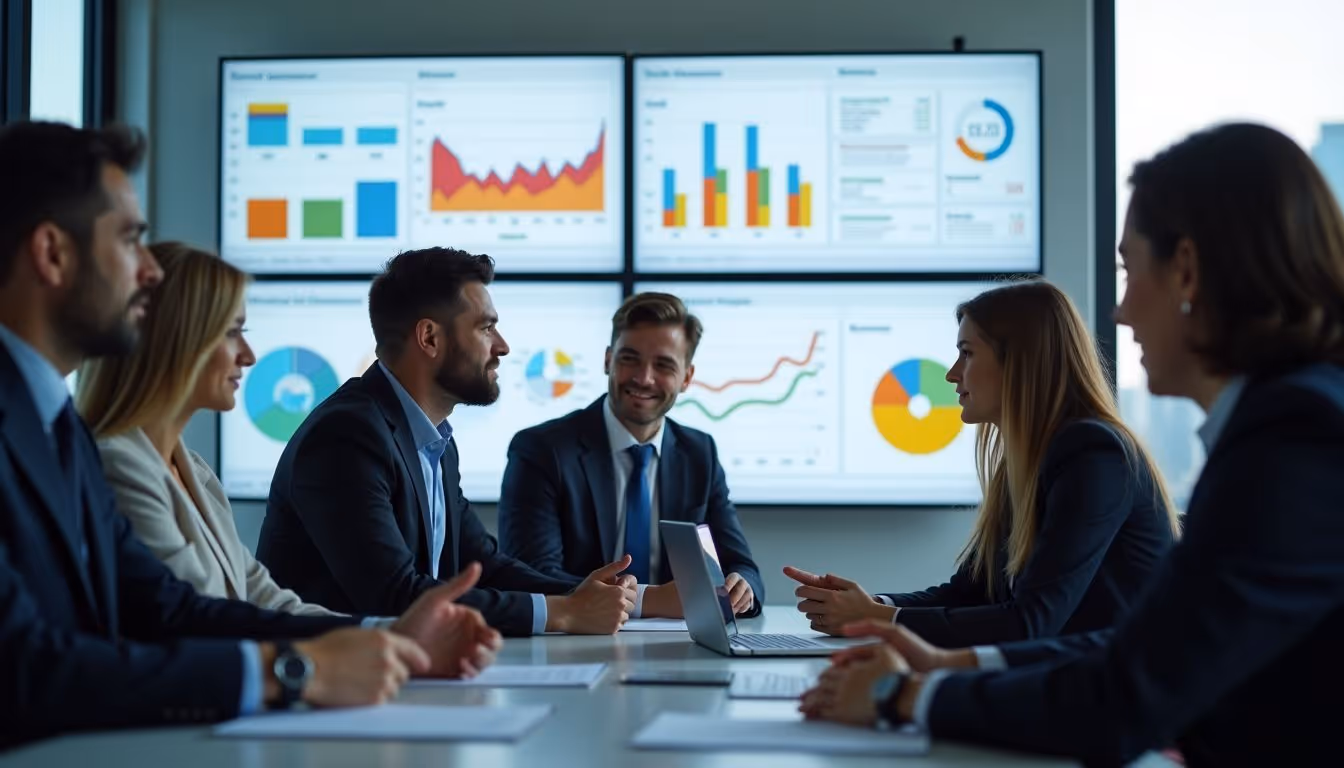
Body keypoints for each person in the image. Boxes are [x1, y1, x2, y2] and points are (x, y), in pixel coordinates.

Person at [800, 122, 1344, 767]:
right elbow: (1137, 648)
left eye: (1127, 271)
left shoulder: (1293, 442)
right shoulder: (1293, 421)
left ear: (1188, 271)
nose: (1119, 314)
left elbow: (1123, 695)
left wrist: (905, 696)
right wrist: (954, 662)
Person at [0, 122, 499, 747]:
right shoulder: (87, 445)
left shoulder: (59, 430)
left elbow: (168, 607)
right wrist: (293, 671)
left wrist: (385, 640)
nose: (150, 272)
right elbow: (25, 668)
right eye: (130, 239)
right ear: (51, 254)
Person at [257, 247, 636, 637]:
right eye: (486, 328)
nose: (502, 346)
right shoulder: (346, 436)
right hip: (328, 680)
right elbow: (394, 595)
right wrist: (562, 613)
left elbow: (484, 564)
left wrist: (592, 595)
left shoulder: (434, 439)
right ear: (429, 338)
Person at [783, 279, 1179, 647]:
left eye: (967, 354)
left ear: (1021, 362)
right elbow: (972, 591)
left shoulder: (1094, 456)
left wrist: (878, 618)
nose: (952, 375)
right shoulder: (1030, 459)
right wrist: (869, 603)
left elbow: (1030, 623)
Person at [75, 242, 325, 615]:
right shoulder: (117, 468)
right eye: (232, 332)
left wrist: (388, 634)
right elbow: (200, 618)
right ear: (179, 340)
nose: (249, 355)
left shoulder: (194, 470)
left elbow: (264, 598)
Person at [498, 292, 764, 619]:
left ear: (687, 378)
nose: (643, 377)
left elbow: (740, 565)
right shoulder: (541, 450)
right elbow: (531, 576)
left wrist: (742, 587)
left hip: (678, 651)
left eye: (663, 364)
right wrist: (647, 600)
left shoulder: (699, 453)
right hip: (573, 644)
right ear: (608, 359)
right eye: (629, 359)